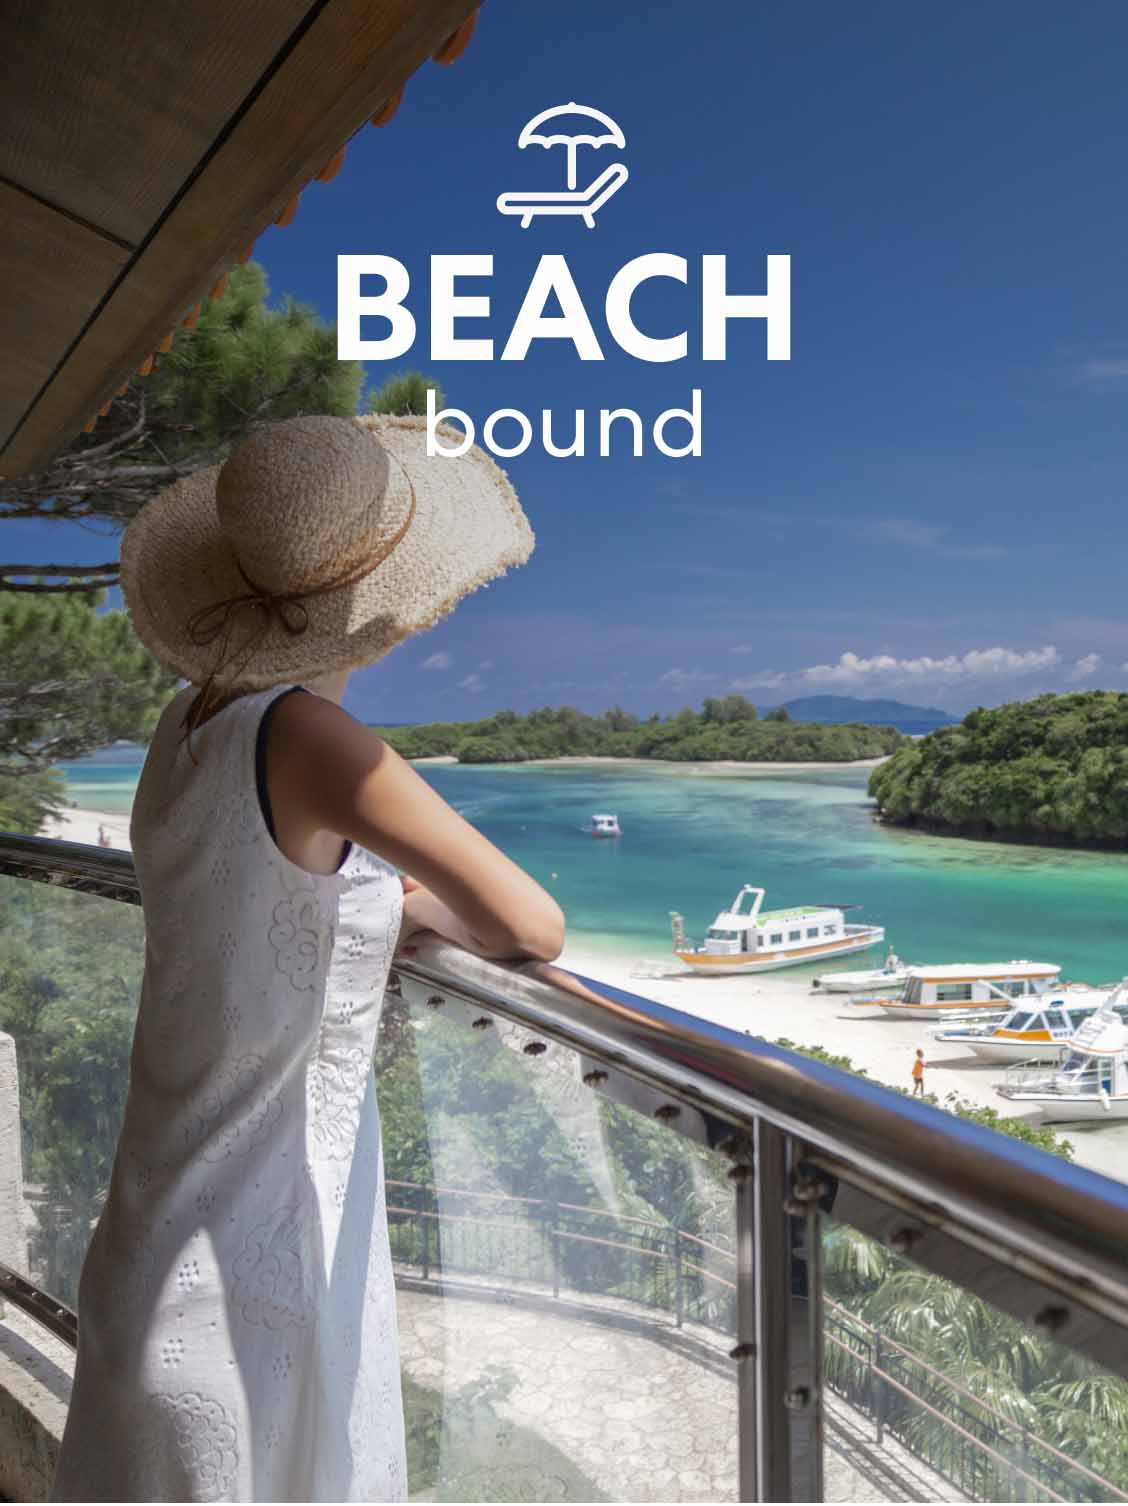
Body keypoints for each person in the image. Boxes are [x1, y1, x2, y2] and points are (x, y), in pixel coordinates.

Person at [51, 414, 564, 1502]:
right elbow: (532, 927)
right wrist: (412, 916)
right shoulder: (310, 741)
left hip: (154, 1239)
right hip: (253, 1272)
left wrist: (377, 912)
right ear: (381, 601)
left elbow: (249, 901)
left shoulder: (184, 726)